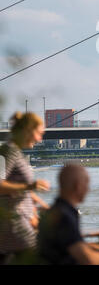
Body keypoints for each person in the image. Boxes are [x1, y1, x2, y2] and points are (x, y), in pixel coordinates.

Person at [38, 164, 99, 265]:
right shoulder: (64, 217)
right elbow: (87, 258)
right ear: (78, 186)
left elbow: (77, 245)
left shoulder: (58, 210)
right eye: (87, 184)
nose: (88, 189)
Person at [0, 112, 50, 264]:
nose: (40, 139)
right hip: (14, 226)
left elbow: (16, 187)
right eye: (39, 134)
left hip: (19, 223)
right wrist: (31, 185)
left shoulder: (16, 152)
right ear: (28, 130)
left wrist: (39, 203)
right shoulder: (9, 151)